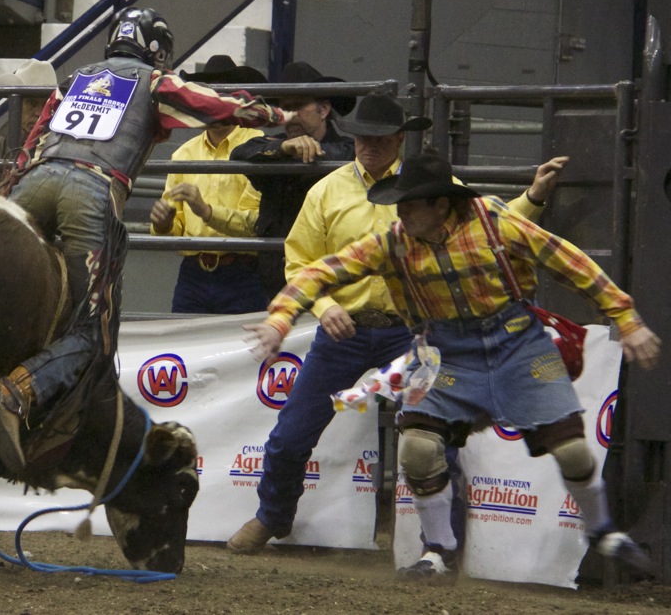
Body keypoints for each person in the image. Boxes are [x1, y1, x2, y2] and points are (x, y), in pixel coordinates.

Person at [243, 151, 660, 580]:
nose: (400, 213)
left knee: (571, 450)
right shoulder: (394, 241)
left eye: (409, 204)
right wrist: (280, 319)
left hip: (519, 343)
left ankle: (602, 530)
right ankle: (438, 551)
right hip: (446, 350)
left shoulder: (495, 223)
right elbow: (321, 272)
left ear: (441, 204)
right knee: (419, 448)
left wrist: (627, 319)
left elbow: (570, 263)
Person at [225, 87, 568, 557]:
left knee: (434, 441)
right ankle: (273, 515)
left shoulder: (428, 188)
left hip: (412, 333)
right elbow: (300, 261)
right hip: (346, 330)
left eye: (380, 138)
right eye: (362, 137)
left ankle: (438, 547)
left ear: (399, 139)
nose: (369, 145)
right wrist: (325, 307)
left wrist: (532, 198)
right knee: (290, 436)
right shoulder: (327, 191)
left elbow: (492, 227)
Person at [0, 7, 288, 472]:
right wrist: (278, 113)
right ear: (156, 50)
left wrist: (5, 199)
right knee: (91, 331)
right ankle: (13, 392)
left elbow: (33, 141)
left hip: (36, 180)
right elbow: (219, 105)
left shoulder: (76, 78)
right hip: (92, 189)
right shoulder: (156, 82)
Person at [149, 56, 270, 314]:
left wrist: (205, 211)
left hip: (242, 273)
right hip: (195, 274)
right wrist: (163, 224)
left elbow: (257, 225)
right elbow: (174, 229)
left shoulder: (259, 147)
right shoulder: (183, 154)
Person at [227, 60, 356, 299]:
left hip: (328, 276)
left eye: (298, 106)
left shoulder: (347, 150)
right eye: (285, 108)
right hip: (276, 276)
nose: (290, 116)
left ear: (324, 110)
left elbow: (347, 154)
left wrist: (301, 152)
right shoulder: (273, 145)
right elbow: (240, 153)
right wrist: (284, 148)